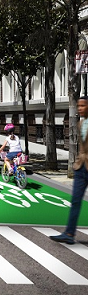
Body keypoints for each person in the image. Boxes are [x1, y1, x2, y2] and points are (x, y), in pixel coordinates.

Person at [51, 97, 88, 245]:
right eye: (78, 106)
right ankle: (69, 233)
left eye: (83, 106)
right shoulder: (80, 123)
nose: (79, 108)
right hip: (81, 168)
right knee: (75, 201)